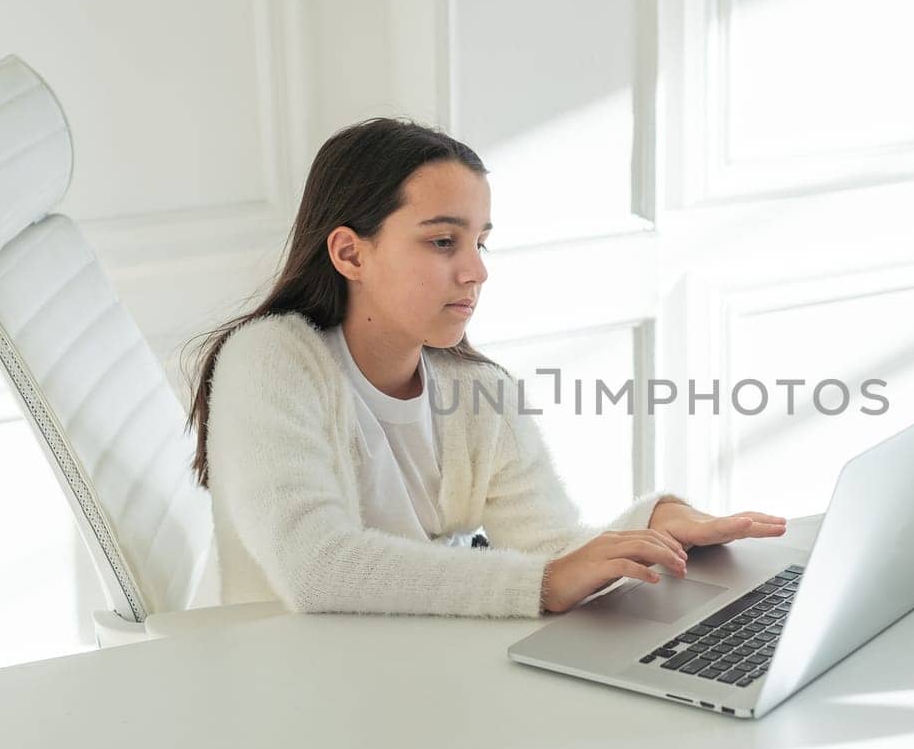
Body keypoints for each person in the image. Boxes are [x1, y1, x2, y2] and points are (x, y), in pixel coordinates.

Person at [184, 118, 787, 617]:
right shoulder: (269, 362)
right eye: (443, 242)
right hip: (289, 686)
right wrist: (544, 583)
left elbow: (548, 549)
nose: (475, 271)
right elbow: (315, 568)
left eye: (481, 242)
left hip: (413, 672)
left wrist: (654, 527)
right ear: (349, 252)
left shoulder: (476, 390)